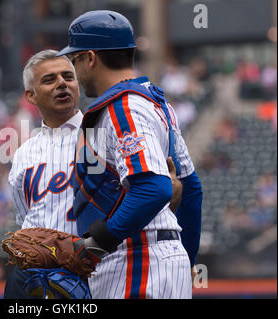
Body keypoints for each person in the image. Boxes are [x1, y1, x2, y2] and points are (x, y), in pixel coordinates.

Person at [4, 49, 182, 298]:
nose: (62, 84)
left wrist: (169, 202)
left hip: (98, 269)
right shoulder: (23, 154)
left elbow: (145, 193)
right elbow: (26, 222)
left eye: (68, 76)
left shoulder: (103, 130)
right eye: (49, 79)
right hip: (39, 277)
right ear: (30, 96)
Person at [56, 10, 203, 299]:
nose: (75, 71)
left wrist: (95, 244)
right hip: (155, 257)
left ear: (90, 58)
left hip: (137, 259)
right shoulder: (157, 104)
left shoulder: (122, 107)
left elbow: (152, 188)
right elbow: (191, 190)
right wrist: (188, 256)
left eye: (74, 61)